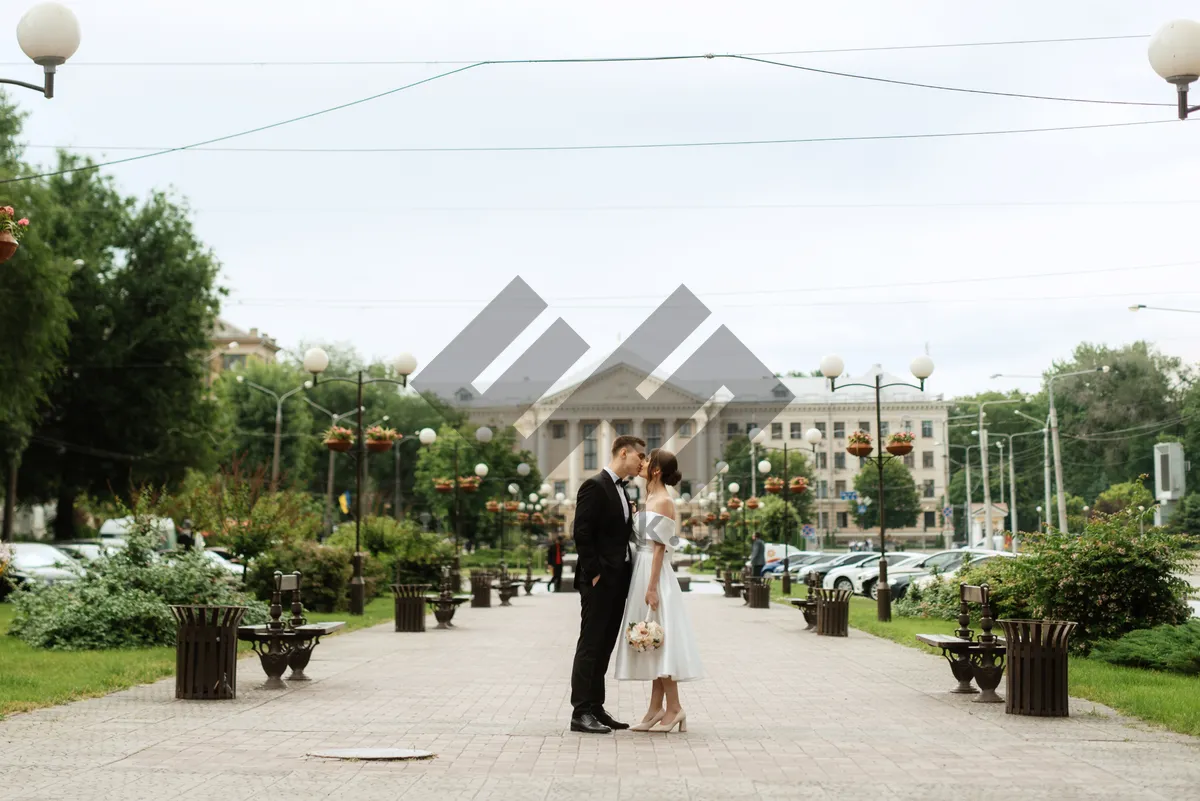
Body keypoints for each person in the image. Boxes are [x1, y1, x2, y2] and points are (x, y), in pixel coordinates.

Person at [615, 448, 703, 733]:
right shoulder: (650, 497)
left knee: (658, 637)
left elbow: (659, 548)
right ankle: (656, 708)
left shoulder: (663, 500)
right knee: (650, 639)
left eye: (647, 461)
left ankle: (674, 707)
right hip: (642, 570)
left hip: (654, 574)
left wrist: (651, 587)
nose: (641, 463)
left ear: (655, 470)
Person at [569, 434, 646, 734]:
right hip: (599, 581)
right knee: (590, 645)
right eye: (639, 456)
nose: (642, 461)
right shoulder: (594, 486)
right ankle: (580, 712)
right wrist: (595, 572)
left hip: (618, 581)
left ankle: (596, 708)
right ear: (624, 453)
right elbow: (582, 532)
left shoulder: (623, 491)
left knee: (604, 646)